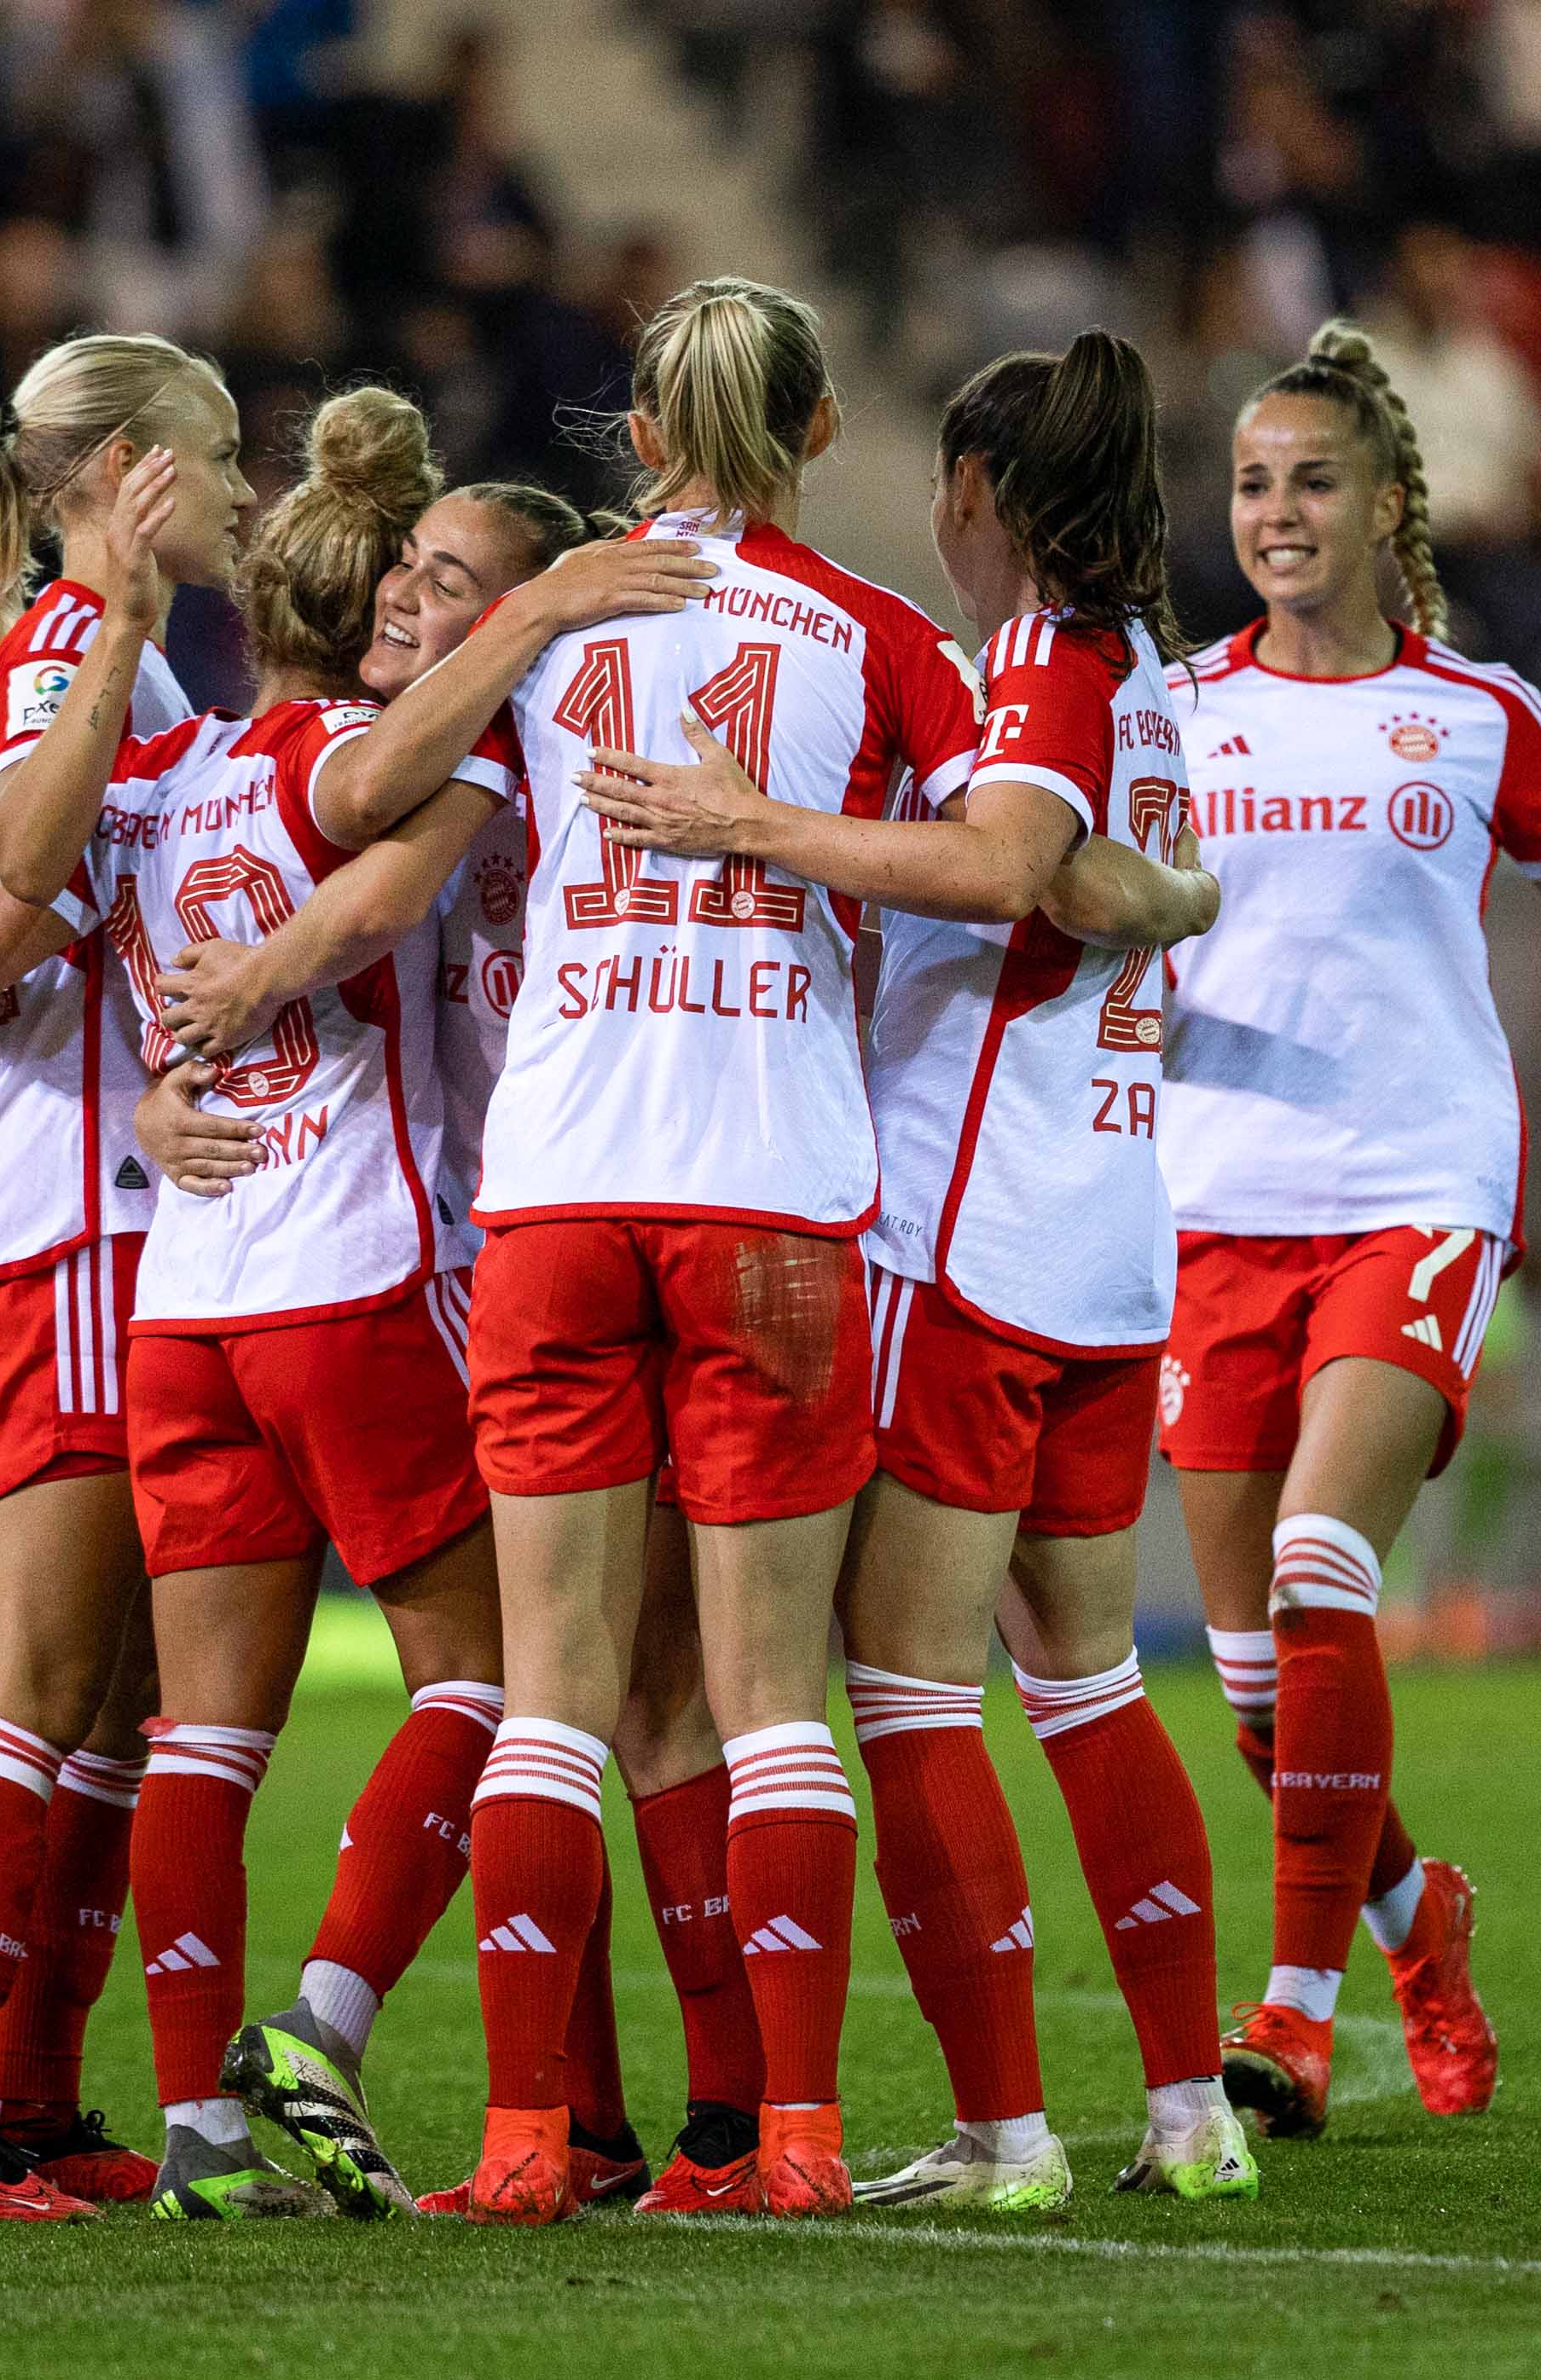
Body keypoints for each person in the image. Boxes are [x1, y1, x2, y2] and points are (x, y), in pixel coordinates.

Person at [573, 333, 1245, 2207]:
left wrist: (740, 824)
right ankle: (1189, 2115)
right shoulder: (1155, 678)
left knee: (901, 1690)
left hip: (970, 1239)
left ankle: (1005, 2130)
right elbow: (1105, 882)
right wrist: (1176, 895)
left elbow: (1009, 864)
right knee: (1087, 1677)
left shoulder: (1032, 660)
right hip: (1110, 1239)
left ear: (978, 495)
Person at [45, 418, 716, 2220]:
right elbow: (369, 866)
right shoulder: (393, 759)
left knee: (209, 1733)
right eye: (408, 576)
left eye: (456, 581)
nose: (426, 603)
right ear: (360, 621)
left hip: (189, 1296)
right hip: (384, 1273)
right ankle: (360, 2038)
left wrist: (170, 1075)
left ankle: (214, 2132)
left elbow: (126, 967)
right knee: (527, 1696)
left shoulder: (174, 777)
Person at [404, 275, 989, 2225]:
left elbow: (353, 797)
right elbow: (1014, 872)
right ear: (821, 433)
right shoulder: (885, 641)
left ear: (638, 437)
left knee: (555, 1688)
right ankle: (797, 2141)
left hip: (560, 1185)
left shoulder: (549, 617)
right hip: (774, 1195)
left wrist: (518, 621)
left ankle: (514, 2143)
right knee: (763, 1700)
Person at [1165, 321, 1541, 2142]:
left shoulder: (1479, 714)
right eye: (1249, 483)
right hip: (1208, 1202)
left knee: (1323, 1566)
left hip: (1414, 1183)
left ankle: (1291, 2019)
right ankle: (1415, 1911)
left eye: (1311, 480)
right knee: (1251, 1688)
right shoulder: (1170, 713)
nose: (1275, 512)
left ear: (1391, 504)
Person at [0, 329, 252, 2227]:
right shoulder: (54, 653)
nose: (240, 488)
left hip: (122, 1210)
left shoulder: (141, 660)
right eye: (214, 456)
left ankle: (23, 2098)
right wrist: (107, 622)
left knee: (121, 1685)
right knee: (46, 1662)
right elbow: (24, 855)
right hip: (69, 1216)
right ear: (123, 474)